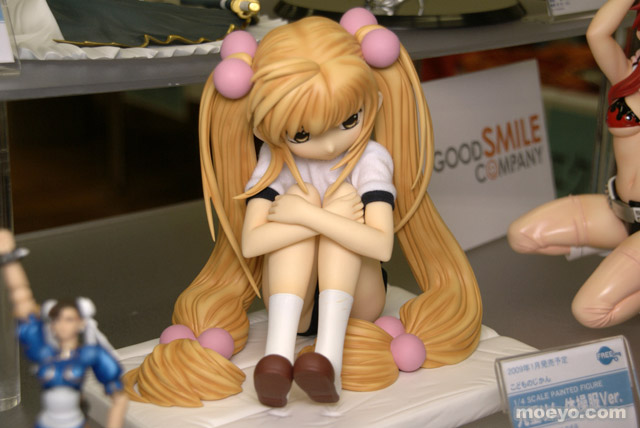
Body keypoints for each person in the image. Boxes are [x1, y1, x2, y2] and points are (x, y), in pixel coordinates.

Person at [124, 8, 482, 408]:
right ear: (264, 130)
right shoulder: (276, 159)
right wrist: (320, 218)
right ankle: (276, 357)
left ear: (375, 101)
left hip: (356, 304)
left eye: (349, 120)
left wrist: (307, 214)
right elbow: (252, 242)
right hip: (294, 305)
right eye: (302, 134)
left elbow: (381, 246)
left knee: (330, 222)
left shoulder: (371, 159)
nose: (328, 145)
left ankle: (328, 357)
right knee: (316, 219)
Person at [508, 0, 640, 328]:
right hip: (619, 211)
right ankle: (624, 257)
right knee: (523, 235)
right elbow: (597, 33)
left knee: (590, 311)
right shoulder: (628, 75)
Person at [0, 229, 128, 428]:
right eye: (57, 319)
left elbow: (119, 398)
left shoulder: (89, 354)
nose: (62, 325)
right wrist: (9, 259)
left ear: (81, 323)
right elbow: (21, 298)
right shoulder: (44, 352)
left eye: (69, 319)